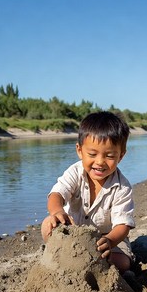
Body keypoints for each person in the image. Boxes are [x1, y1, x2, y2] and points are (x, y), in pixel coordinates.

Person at [41, 111, 135, 273]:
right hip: (74, 233)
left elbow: (122, 226)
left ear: (121, 156)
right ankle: (62, 253)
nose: (99, 162)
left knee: (124, 263)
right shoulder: (75, 172)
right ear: (79, 150)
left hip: (106, 239)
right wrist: (57, 211)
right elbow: (57, 194)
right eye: (92, 154)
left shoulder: (122, 187)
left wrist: (110, 241)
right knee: (47, 224)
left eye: (110, 156)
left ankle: (97, 263)